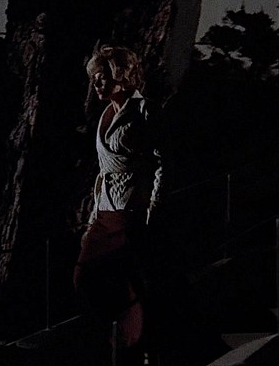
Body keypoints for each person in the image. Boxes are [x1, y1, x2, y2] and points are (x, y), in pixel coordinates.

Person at [74, 45, 164, 366]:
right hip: (104, 207)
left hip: (130, 206)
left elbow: (162, 162)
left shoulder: (145, 111)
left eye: (102, 77)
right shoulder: (104, 113)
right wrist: (93, 212)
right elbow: (103, 167)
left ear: (120, 75)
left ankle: (134, 344)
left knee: (128, 279)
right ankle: (121, 337)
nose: (97, 84)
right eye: (94, 78)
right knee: (84, 276)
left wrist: (153, 203)